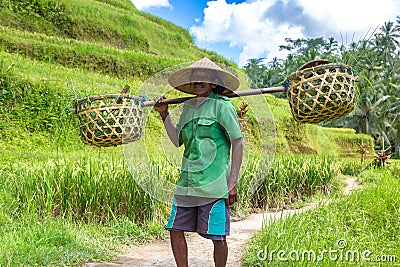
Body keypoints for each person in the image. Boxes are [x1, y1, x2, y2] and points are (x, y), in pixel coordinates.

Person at [154, 57, 243, 267]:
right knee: (175, 229)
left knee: (217, 236)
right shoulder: (188, 108)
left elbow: (237, 143)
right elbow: (177, 141)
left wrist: (232, 182)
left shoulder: (223, 107)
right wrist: (164, 114)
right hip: (187, 182)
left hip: (214, 184)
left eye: (204, 78)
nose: (198, 82)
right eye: (195, 78)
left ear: (213, 82)